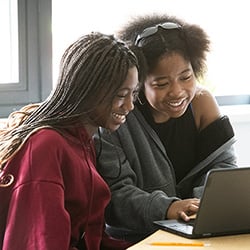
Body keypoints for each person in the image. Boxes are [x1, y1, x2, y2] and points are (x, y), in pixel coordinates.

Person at [95, 14, 237, 243]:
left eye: (186, 77)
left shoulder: (202, 103)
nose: (177, 92)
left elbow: (223, 170)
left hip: (197, 234)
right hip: (138, 240)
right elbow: (115, 198)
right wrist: (169, 208)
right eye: (161, 83)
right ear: (138, 83)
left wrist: (199, 208)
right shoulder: (117, 116)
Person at [0, 32, 139, 250]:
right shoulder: (46, 146)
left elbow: (91, 239)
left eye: (134, 94)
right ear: (88, 89)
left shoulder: (82, 141)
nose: (130, 105)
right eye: (121, 95)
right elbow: (40, 243)